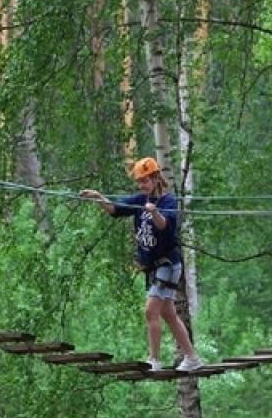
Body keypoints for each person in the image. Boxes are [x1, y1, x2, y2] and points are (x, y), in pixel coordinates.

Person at [80, 156, 206, 373]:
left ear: (156, 178)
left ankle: (153, 360)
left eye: (145, 181)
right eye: (139, 182)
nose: (142, 185)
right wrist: (99, 197)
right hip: (154, 268)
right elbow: (114, 209)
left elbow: (165, 225)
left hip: (168, 264)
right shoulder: (140, 200)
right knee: (168, 313)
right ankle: (192, 357)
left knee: (150, 311)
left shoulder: (168, 202)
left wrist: (154, 211)